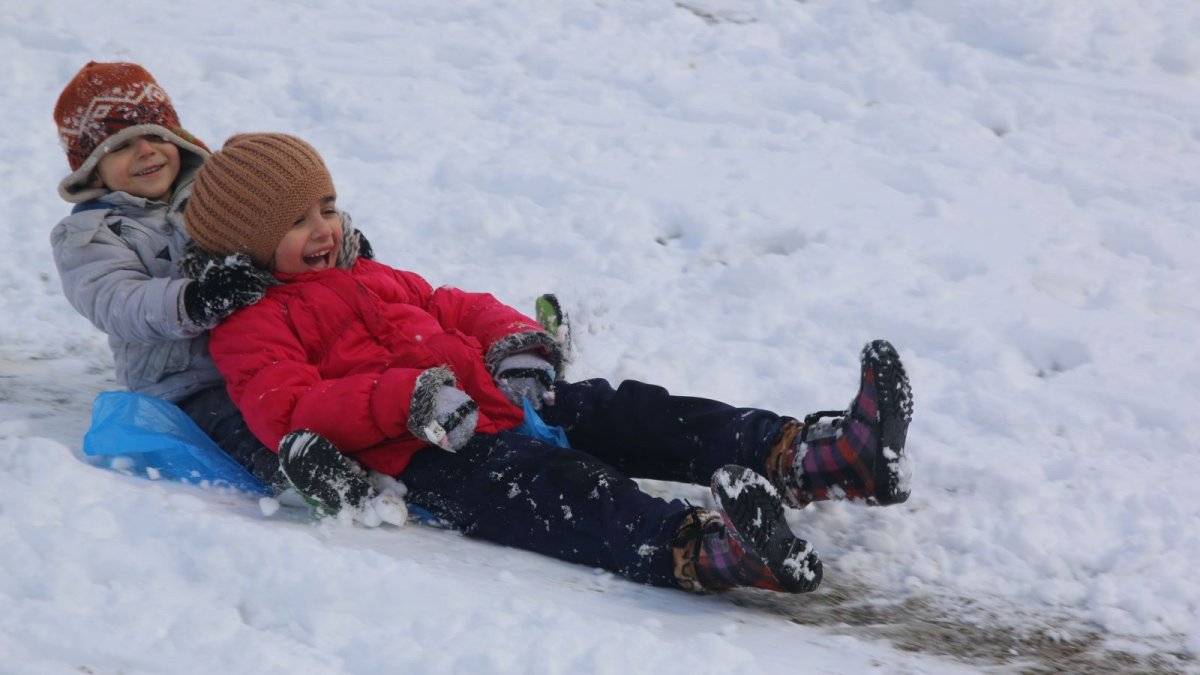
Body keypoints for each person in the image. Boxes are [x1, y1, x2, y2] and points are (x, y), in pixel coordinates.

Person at [183, 132, 915, 595]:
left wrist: (516, 344)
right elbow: (287, 411)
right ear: (247, 244)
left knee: (634, 408)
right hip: (433, 455)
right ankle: (708, 551)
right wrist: (406, 398)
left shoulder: (370, 272)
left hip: (500, 402)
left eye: (327, 206)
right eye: (297, 221)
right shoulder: (250, 326)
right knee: (570, 491)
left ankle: (820, 457)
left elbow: (453, 305)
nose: (323, 229)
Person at [48, 62, 394, 517]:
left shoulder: (216, 190)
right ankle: (300, 472)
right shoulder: (92, 236)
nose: (147, 152)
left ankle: (389, 441)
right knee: (235, 421)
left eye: (157, 136)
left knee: (335, 382)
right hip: (189, 378)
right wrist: (194, 300)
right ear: (92, 170)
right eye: (121, 146)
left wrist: (341, 239)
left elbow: (286, 220)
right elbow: (115, 301)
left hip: (271, 348)